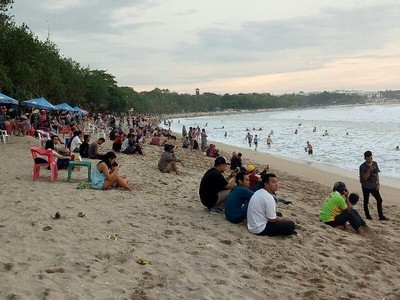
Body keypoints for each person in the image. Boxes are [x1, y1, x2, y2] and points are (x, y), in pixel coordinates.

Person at [359, 150, 388, 220]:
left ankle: (381, 216)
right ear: (365, 158)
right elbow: (364, 178)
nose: (370, 160)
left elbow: (377, 174)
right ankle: (368, 216)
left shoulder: (374, 163)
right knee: (366, 201)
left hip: (374, 186)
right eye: (368, 158)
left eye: (371, 158)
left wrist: (378, 183)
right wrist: (369, 170)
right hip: (365, 186)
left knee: (379, 200)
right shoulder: (362, 167)